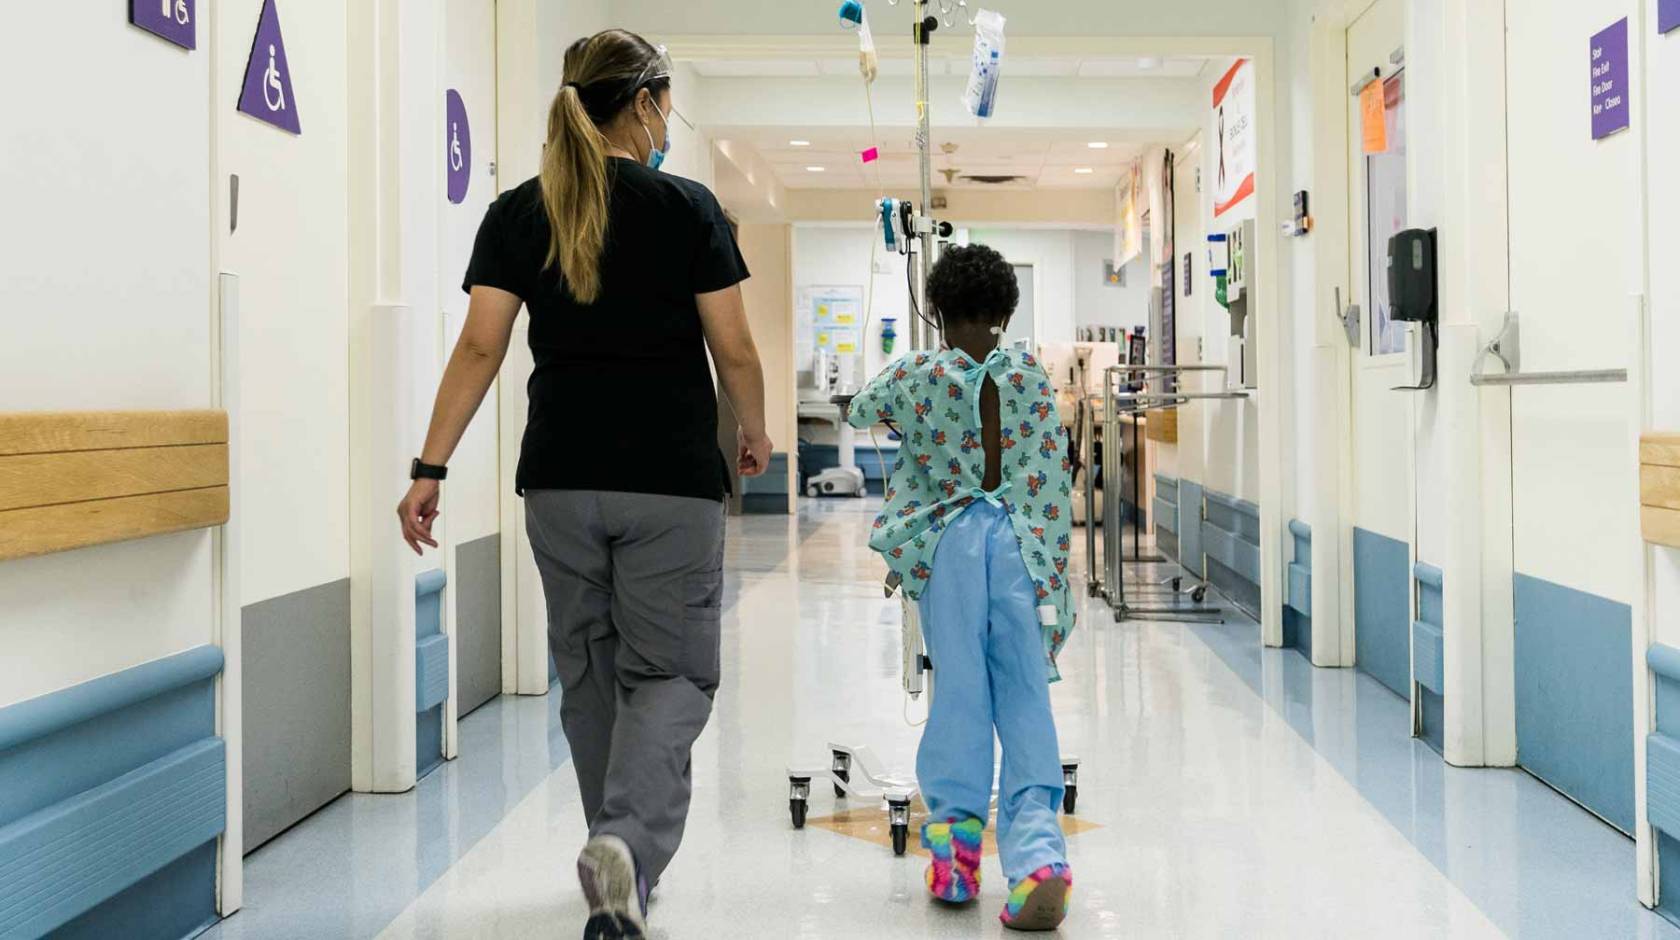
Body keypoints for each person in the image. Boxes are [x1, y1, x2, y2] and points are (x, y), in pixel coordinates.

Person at [395, 29, 769, 940]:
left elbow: (480, 344)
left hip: (558, 481)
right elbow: (736, 348)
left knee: (589, 669)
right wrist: (752, 431)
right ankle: (627, 846)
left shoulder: (519, 212)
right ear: (643, 104)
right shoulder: (688, 207)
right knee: (672, 668)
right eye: (666, 104)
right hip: (668, 483)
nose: (668, 121)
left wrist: (429, 465)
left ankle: (616, 855)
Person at [846, 244, 1075, 931]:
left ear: (938, 314)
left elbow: (861, 410)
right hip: (1023, 555)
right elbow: (1052, 469)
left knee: (961, 696)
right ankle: (1038, 860)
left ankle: (954, 859)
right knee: (1026, 698)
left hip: (950, 549)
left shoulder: (919, 374)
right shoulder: (1031, 376)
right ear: (1007, 312)